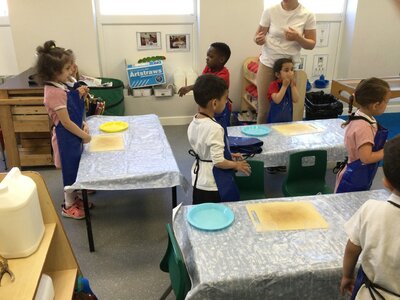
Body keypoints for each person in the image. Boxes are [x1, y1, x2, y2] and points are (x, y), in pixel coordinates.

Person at [35, 40, 91, 219]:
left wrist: (78, 92)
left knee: (77, 167)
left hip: (73, 135)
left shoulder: (60, 85)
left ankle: (76, 197)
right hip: (66, 137)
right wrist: (84, 135)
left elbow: (70, 96)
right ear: (54, 72)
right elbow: (66, 122)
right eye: (67, 69)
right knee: (70, 170)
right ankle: (68, 205)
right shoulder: (53, 93)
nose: (71, 70)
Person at [339, 135, 400, 299]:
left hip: (370, 294)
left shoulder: (370, 209)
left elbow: (352, 249)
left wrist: (347, 275)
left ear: (386, 182)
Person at [187, 74, 251, 204]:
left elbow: (205, 148)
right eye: (225, 99)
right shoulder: (215, 127)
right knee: (216, 217)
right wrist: (236, 165)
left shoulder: (194, 121)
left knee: (202, 215)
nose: (226, 102)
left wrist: (229, 154)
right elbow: (218, 162)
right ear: (215, 103)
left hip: (198, 179)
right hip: (212, 183)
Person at [254, 0, 316, 124]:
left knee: (287, 108)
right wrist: (258, 39)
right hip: (268, 64)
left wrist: (298, 37)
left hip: (289, 69)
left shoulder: (307, 14)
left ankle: (283, 142)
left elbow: (311, 44)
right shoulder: (270, 11)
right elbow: (257, 36)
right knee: (264, 110)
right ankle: (260, 142)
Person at [335, 78, 390, 193]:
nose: (387, 105)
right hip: (353, 178)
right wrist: (387, 151)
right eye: (386, 101)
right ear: (375, 105)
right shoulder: (364, 127)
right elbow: (366, 158)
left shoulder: (364, 116)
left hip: (360, 174)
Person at [178, 42, 232, 134]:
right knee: (207, 129)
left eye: (211, 57)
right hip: (208, 106)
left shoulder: (224, 75)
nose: (207, 58)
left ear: (221, 59)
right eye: (207, 55)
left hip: (220, 108)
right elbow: (201, 82)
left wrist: (189, 88)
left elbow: (206, 85)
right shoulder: (208, 68)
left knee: (220, 131)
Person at [267, 57, 299, 123]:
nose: (291, 73)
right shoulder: (274, 85)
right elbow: (277, 100)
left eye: (292, 70)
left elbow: (296, 99)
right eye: (286, 70)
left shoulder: (291, 85)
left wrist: (293, 86)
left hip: (287, 118)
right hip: (274, 119)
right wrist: (284, 86)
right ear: (278, 74)